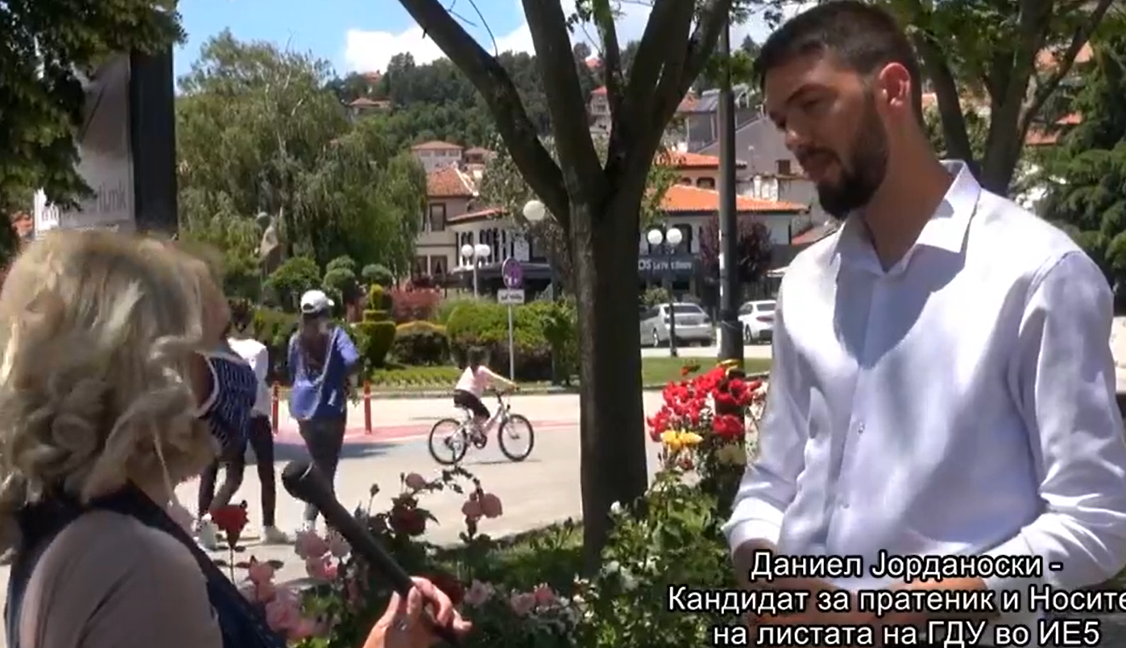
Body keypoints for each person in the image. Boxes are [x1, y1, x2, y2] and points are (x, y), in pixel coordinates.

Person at [724, 2, 1126, 644]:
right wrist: (769, 574)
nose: (793, 137)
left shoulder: (1038, 275)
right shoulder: (805, 283)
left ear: (893, 89)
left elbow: (1096, 518)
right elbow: (771, 482)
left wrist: (895, 614)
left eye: (812, 104)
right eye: (780, 120)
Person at [0, 231, 469, 648]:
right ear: (153, 370)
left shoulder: (56, 534)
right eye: (219, 339)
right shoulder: (142, 569)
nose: (236, 365)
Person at [196, 305, 290, 549]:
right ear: (248, 323)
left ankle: (204, 520)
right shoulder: (258, 349)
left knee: (218, 471)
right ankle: (268, 526)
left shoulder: (220, 350)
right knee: (265, 471)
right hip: (255, 415)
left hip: (224, 413)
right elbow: (256, 380)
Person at [288, 289, 360, 533]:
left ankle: (332, 524)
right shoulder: (337, 336)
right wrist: (352, 385)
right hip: (330, 407)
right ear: (326, 313)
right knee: (324, 469)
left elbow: (291, 371)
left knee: (321, 465)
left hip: (304, 409)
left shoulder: (295, 340)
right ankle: (311, 521)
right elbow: (352, 361)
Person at [452, 347, 517, 444]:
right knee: (484, 414)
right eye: (486, 357)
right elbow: (496, 378)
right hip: (468, 395)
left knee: (477, 415)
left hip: (458, 394)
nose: (488, 360)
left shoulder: (469, 369)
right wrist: (511, 384)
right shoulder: (482, 369)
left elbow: (476, 383)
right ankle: (474, 433)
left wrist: (489, 388)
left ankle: (473, 432)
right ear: (482, 359)